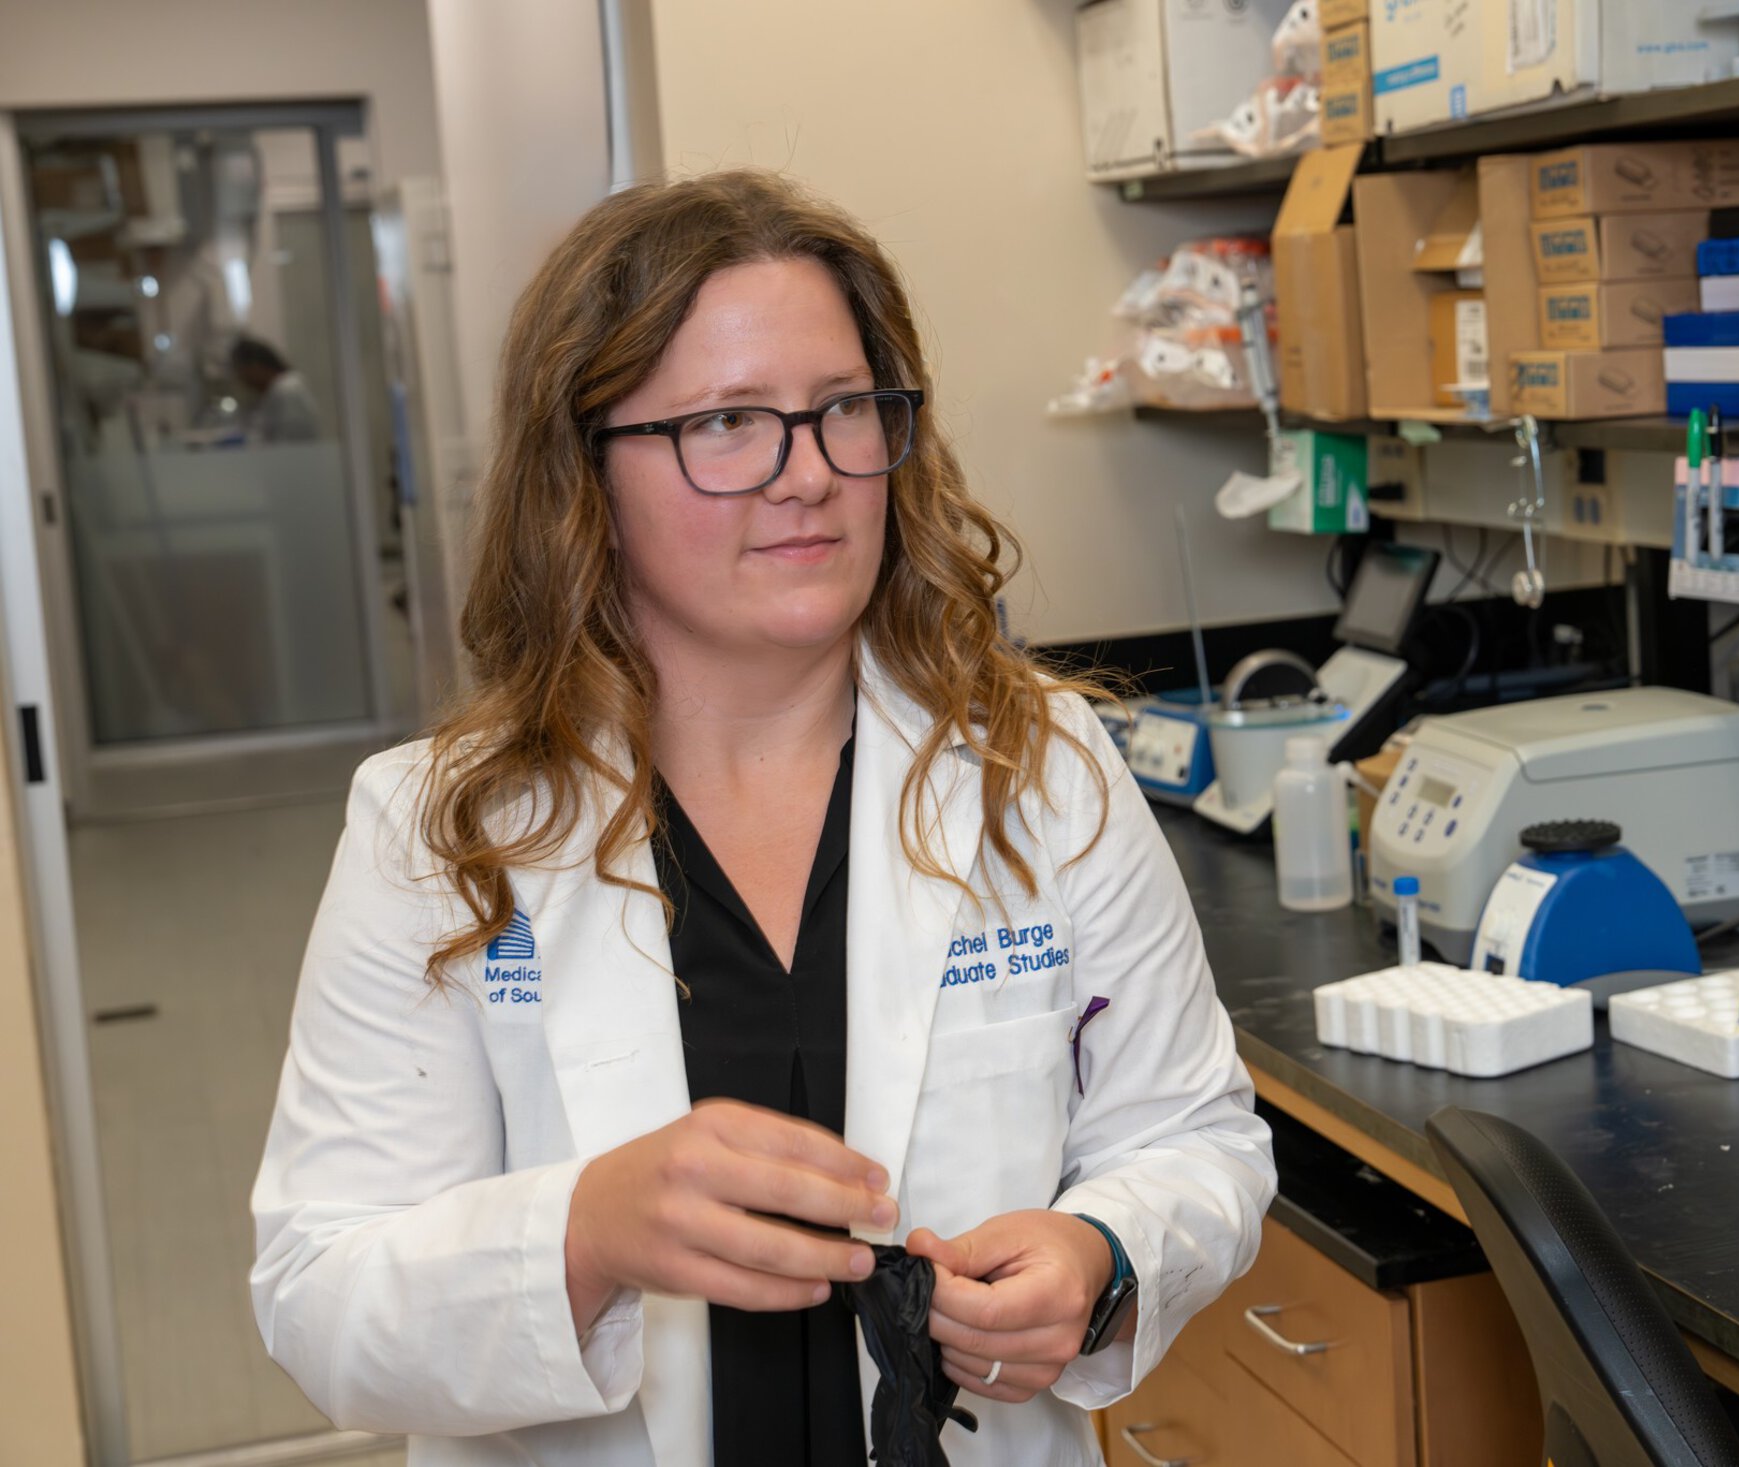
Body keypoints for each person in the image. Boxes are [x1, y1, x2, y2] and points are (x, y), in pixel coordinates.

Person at [249, 169, 1275, 1466]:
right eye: (728, 422)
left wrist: (1101, 1254)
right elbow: (317, 1297)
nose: (809, 475)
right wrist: (584, 1233)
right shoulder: (440, 831)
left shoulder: (1042, 771)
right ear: (584, 471)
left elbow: (1195, 1138)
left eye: (844, 408)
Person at [230, 335, 322, 441]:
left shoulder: (288, 389)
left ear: (255, 366)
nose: (243, 380)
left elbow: (292, 440)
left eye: (242, 372)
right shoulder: (275, 391)